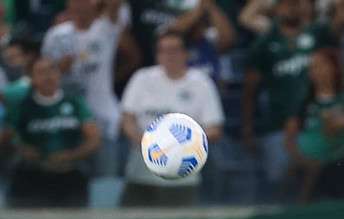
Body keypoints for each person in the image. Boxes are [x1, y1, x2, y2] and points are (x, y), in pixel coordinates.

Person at [241, 0, 344, 202]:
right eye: (285, 4)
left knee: (340, 161)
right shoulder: (265, 44)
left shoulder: (318, 33)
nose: (290, 7)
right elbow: (250, 90)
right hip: (280, 125)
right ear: (275, 8)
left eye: (295, 3)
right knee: (284, 171)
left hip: (320, 123)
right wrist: (247, 129)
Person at [119, 31, 223, 207]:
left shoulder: (201, 83)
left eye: (174, 50)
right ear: (157, 55)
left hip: (182, 177)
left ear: (185, 53)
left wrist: (182, 143)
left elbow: (215, 129)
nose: (169, 56)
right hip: (140, 174)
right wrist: (145, 141)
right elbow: (127, 119)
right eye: (163, 51)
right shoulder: (142, 79)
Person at [41, 0, 131, 177]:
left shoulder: (106, 29)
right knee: (66, 181)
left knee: (105, 182)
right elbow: (42, 75)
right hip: (67, 122)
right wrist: (59, 69)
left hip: (103, 119)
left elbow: (114, 5)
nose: (80, 5)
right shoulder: (56, 35)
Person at [5, 56, 101, 207]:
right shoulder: (22, 107)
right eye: (41, 72)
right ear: (32, 78)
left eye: (52, 70)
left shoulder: (75, 102)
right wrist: (22, 149)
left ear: (59, 75)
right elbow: (8, 137)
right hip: (32, 175)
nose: (48, 76)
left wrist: (72, 155)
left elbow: (94, 139)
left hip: (69, 173)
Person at [284, 49, 344, 203]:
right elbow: (289, 137)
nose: (317, 72)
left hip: (340, 162)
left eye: (322, 65)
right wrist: (302, 159)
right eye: (313, 67)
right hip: (306, 165)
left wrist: (340, 123)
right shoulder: (302, 102)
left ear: (335, 68)